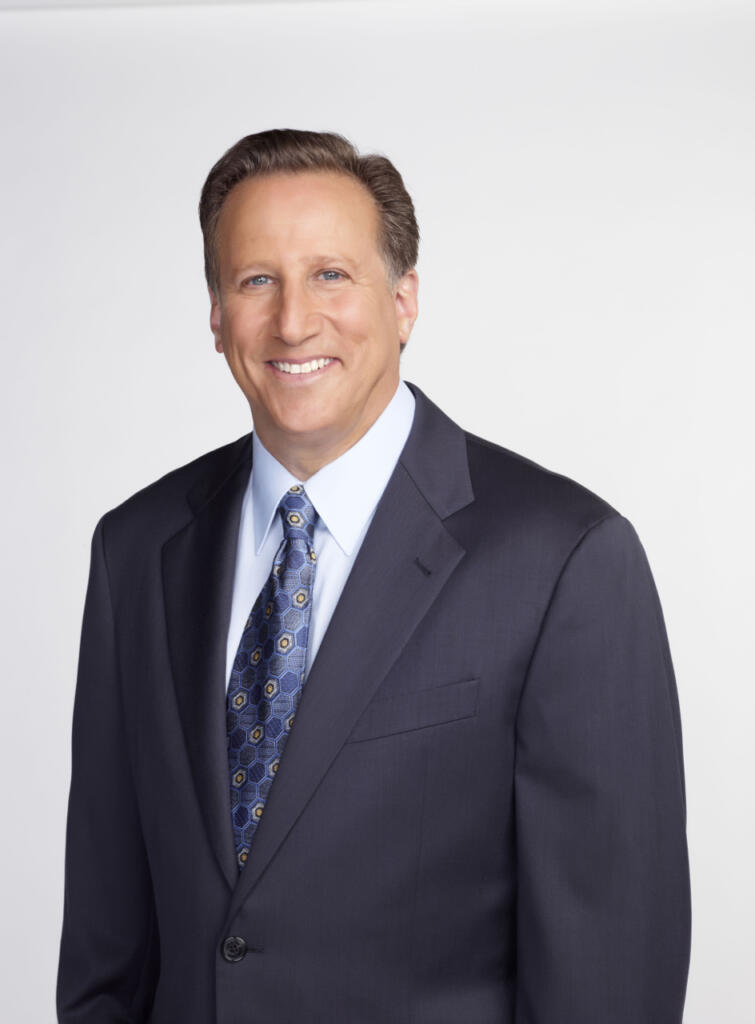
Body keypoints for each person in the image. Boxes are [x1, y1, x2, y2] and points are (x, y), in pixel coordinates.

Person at [56, 129, 691, 1023]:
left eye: (331, 275)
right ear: (216, 316)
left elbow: (609, 977)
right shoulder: (135, 549)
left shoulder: (565, 560)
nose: (292, 322)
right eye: (255, 280)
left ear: (403, 301)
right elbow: (106, 949)